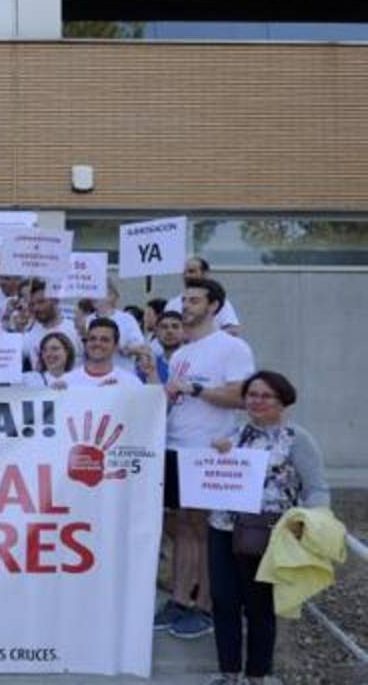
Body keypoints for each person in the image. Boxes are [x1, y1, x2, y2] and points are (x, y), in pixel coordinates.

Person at [206, 372, 329, 685]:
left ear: (282, 401)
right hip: (222, 528)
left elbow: (316, 488)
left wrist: (311, 520)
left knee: (259, 606)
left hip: (268, 533)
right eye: (252, 395)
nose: (257, 401)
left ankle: (258, 674)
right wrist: (214, 454)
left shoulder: (296, 438)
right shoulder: (233, 433)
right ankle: (228, 672)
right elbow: (213, 474)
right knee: (224, 601)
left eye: (266, 396)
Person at [156, 278, 255, 640]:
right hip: (175, 445)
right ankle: (180, 600)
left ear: (214, 306)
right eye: (185, 299)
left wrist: (196, 389)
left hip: (207, 450)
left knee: (205, 529)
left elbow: (241, 397)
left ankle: (207, 607)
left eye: (194, 300)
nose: (186, 305)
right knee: (183, 525)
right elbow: (177, 397)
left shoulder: (232, 347)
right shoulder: (181, 353)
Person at [165, 257, 242, 336]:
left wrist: (205, 342)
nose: (187, 275)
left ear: (205, 274)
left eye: (191, 271)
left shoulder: (219, 302)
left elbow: (232, 330)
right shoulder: (173, 304)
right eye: (184, 273)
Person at [21, 278, 83, 372]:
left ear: (55, 300)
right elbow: (10, 357)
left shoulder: (76, 330)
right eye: (32, 304)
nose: (36, 308)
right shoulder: (30, 334)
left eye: (41, 302)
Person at [64, 318, 142, 388]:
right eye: (92, 339)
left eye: (104, 340)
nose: (97, 343)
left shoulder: (131, 383)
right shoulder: (67, 382)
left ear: (116, 346)